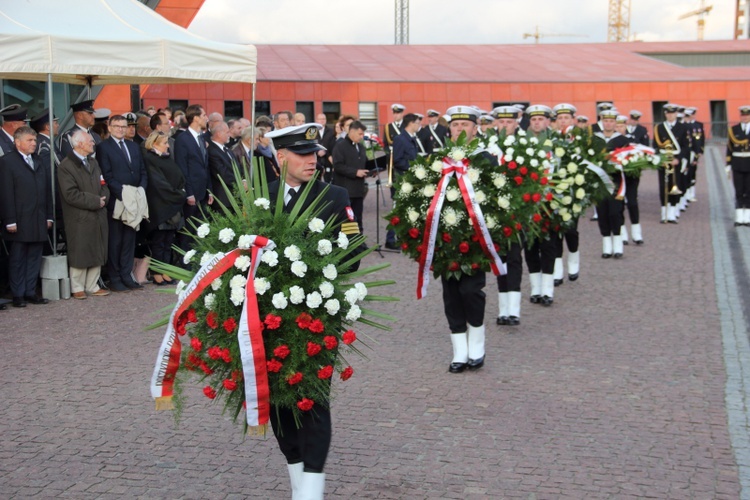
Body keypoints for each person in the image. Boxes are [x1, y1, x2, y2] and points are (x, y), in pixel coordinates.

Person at [265, 123, 362, 500]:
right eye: (302, 154)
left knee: (314, 398)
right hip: (270, 318)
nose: (312, 159)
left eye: (315, 153)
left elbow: (353, 252)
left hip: (316, 315)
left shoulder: (334, 196)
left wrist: (317, 267)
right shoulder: (262, 197)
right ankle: (298, 482)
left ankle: (312, 490)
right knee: (280, 403)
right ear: (281, 157)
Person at [439, 106, 492, 372]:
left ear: (475, 128)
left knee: (471, 291)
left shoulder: (485, 159)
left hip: (475, 239)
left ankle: (477, 345)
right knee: (451, 294)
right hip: (446, 240)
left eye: (465, 125)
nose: (460, 129)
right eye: (455, 125)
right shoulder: (439, 160)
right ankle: (459, 351)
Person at [0, 126, 52, 308]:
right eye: (30, 140)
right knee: (17, 259)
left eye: (35, 140)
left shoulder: (37, 160)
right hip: (19, 220)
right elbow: (6, 193)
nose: (34, 143)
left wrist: (49, 216)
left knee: (34, 257)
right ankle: (18, 294)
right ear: (17, 142)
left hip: (38, 218)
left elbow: (46, 190)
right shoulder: (7, 162)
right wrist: (10, 220)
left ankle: (30, 291)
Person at [96, 115, 149, 292]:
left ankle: (127, 275)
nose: (121, 129)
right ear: (109, 128)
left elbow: (142, 171)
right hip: (117, 201)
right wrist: (125, 195)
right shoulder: (103, 147)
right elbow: (107, 176)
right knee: (115, 240)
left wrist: (140, 190)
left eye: (123, 126)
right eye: (117, 126)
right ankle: (115, 276)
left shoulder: (133, 146)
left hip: (134, 200)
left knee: (129, 240)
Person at [57, 130, 110, 299]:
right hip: (79, 216)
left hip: (97, 212)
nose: (93, 143)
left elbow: (103, 183)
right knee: (80, 250)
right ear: (79, 144)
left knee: (97, 247)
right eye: (90, 141)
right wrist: (96, 201)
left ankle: (92, 285)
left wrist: (104, 198)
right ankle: (77, 286)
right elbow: (70, 194)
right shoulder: (66, 166)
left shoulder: (93, 162)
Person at [491, 105, 526, 326]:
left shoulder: (525, 146)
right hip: (495, 212)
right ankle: (503, 309)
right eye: (501, 122)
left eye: (509, 122)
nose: (505, 125)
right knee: (499, 258)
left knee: (514, 257)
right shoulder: (488, 147)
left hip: (517, 211)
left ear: (516, 123)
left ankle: (513, 309)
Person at [523, 104, 557, 305]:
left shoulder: (556, 143)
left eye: (541, 119)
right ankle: (535, 288)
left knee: (549, 245)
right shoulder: (518, 144)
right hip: (527, 202)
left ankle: (548, 289)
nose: (537, 123)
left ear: (547, 121)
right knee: (530, 245)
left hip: (550, 202)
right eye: (534, 120)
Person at [142, 131, 185, 284]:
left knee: (168, 242)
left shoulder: (167, 158)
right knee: (159, 242)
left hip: (172, 205)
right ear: (154, 144)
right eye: (165, 143)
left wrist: (179, 192)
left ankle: (166, 270)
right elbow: (158, 183)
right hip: (159, 206)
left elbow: (179, 177)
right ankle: (156, 272)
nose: (168, 146)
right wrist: (177, 194)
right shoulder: (149, 159)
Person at [174, 104, 212, 254]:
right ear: (195, 118)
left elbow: (205, 166)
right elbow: (182, 168)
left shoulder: (202, 138)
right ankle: (185, 264)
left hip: (203, 192)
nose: (206, 118)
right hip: (191, 194)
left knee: (201, 230)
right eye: (203, 115)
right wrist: (189, 193)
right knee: (189, 231)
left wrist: (210, 190)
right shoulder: (183, 139)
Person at [592, 108, 630, 258]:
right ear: (602, 122)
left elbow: (628, 160)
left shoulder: (622, 140)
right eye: (606, 121)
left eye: (611, 121)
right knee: (602, 213)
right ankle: (606, 244)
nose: (608, 124)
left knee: (616, 212)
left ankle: (618, 243)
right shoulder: (595, 139)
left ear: (615, 123)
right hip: (599, 183)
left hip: (616, 183)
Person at [385, 113, 421, 249]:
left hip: (409, 180)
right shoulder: (401, 139)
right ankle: (390, 239)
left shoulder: (411, 138)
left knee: (406, 209)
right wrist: (413, 168)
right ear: (411, 123)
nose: (419, 126)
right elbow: (397, 160)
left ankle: (402, 237)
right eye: (417, 123)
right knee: (397, 210)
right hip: (401, 180)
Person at [653, 103, 691, 224]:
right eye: (668, 113)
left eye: (672, 113)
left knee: (675, 185)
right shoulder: (659, 127)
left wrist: (678, 159)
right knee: (663, 186)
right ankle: (664, 211)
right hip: (664, 160)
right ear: (665, 114)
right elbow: (655, 145)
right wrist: (661, 158)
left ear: (676, 114)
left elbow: (686, 146)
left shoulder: (683, 127)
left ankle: (672, 212)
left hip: (675, 160)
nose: (670, 115)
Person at [332, 120, 369, 233]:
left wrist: (372, 170)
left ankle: (359, 244)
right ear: (351, 132)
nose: (362, 137)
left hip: (358, 189)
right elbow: (338, 165)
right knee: (346, 219)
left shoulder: (361, 147)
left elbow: (364, 162)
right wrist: (355, 172)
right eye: (360, 134)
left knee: (358, 217)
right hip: (346, 189)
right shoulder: (340, 146)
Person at [726, 105, 750, 226]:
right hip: (737, 163)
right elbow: (729, 147)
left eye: (747, 115)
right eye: (743, 115)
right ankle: (739, 217)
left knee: (749, 190)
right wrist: (728, 163)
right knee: (739, 190)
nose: (745, 117)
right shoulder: (733, 130)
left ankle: (748, 217)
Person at [207, 121, 238, 209]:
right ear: (219, 134)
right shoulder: (212, 151)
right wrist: (239, 184)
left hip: (234, 195)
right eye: (227, 132)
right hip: (223, 198)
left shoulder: (227, 149)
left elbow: (238, 167)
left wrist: (243, 180)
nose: (229, 134)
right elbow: (222, 173)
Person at [315, 113, 336, 182]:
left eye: (323, 119)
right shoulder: (312, 132)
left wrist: (325, 152)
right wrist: (317, 152)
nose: (322, 121)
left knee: (328, 182)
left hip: (328, 161)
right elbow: (311, 144)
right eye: (320, 119)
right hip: (316, 161)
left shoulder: (331, 132)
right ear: (316, 120)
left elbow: (333, 145)